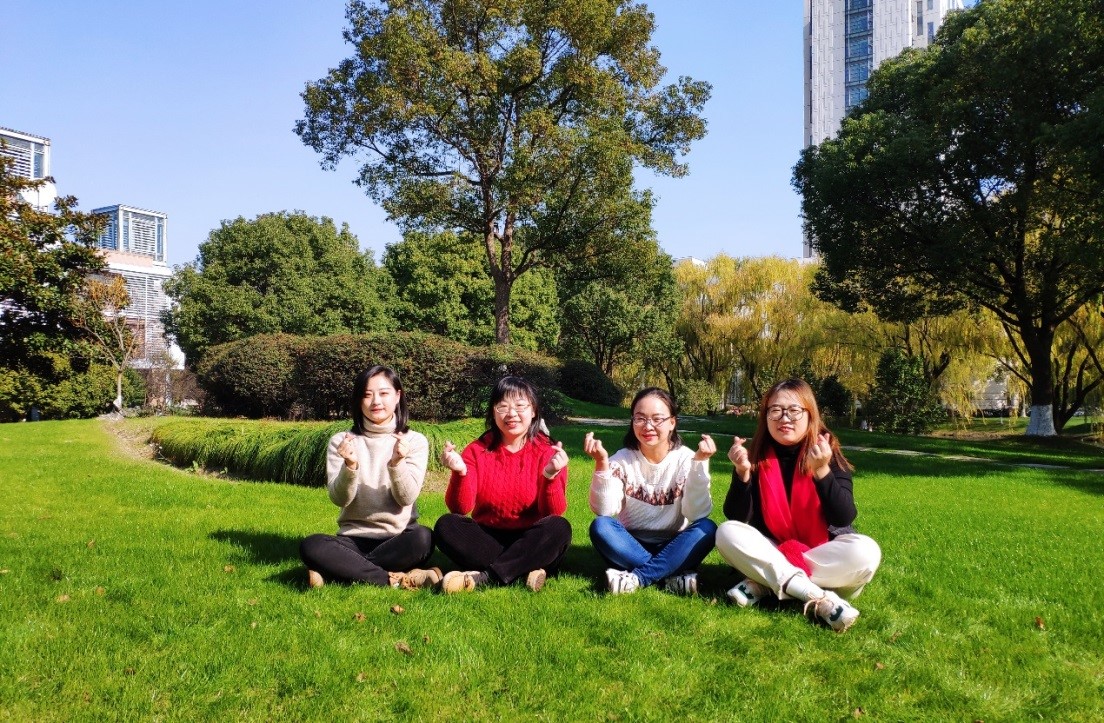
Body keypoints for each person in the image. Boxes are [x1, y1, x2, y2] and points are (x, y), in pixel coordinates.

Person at [715, 378, 881, 632]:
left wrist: (822, 471)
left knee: (866, 552)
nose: (784, 418)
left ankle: (765, 584)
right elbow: (737, 516)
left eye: (794, 410)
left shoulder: (827, 454)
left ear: (810, 414)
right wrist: (742, 473)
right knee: (726, 533)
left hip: (822, 552)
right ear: (765, 417)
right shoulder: (756, 456)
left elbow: (843, 517)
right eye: (775, 410)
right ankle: (820, 598)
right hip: (774, 546)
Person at [300, 365, 439, 590]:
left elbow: (406, 498)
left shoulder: (414, 441)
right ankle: (392, 580)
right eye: (367, 395)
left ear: (397, 396)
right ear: (358, 400)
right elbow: (339, 499)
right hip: (352, 539)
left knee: (424, 538)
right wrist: (350, 466)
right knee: (312, 545)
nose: (376, 401)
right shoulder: (341, 442)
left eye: (384, 393)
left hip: (398, 538)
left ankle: (339, 571)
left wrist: (397, 463)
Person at [434, 376, 571, 593]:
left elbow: (552, 513)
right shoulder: (476, 450)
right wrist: (460, 473)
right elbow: (460, 508)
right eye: (503, 406)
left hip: (532, 537)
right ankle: (523, 569)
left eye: (520, 406)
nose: (511, 414)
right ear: (493, 412)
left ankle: (487, 577)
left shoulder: (548, 452)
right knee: (446, 525)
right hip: (487, 538)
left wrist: (550, 476)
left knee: (558, 527)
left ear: (533, 411)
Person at [585, 387, 718, 596]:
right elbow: (604, 510)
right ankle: (672, 576)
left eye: (657, 419)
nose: (648, 426)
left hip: (675, 543)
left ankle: (637, 578)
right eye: (640, 418)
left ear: (672, 422)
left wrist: (700, 463)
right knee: (601, 526)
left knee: (707, 528)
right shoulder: (622, 460)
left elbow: (697, 513)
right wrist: (602, 464)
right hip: (630, 544)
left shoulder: (687, 459)